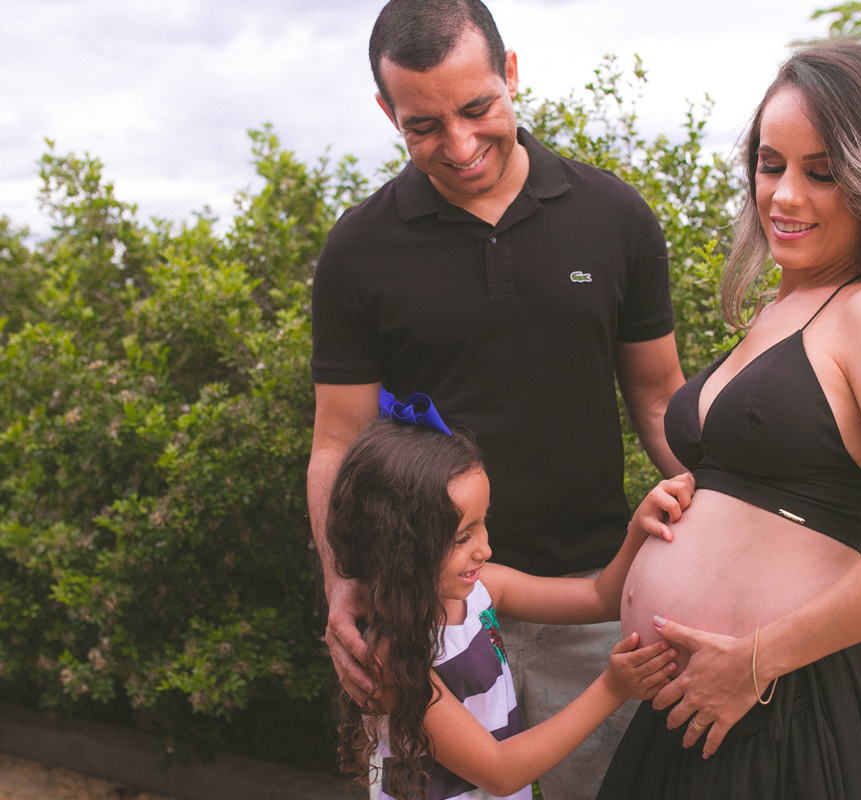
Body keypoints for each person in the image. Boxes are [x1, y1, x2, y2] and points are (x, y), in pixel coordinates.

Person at [307, 3, 685, 796]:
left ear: (510, 73)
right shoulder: (358, 249)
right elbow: (337, 442)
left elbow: (658, 400)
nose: (460, 146)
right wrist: (343, 582)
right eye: (422, 127)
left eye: (478, 109)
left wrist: (721, 532)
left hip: (588, 602)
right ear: (387, 113)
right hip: (422, 615)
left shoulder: (614, 217)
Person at [597, 41, 861, 799]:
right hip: (692, 711)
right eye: (771, 165)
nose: (784, 195)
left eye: (822, 173)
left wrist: (756, 659)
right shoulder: (782, 310)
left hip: (785, 714)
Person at [323, 394, 692, 799]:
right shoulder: (394, 656)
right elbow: (499, 771)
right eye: (463, 536)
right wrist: (612, 688)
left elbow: (598, 596)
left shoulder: (483, 591)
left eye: (484, 523)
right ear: (402, 547)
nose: (484, 549)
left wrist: (639, 528)